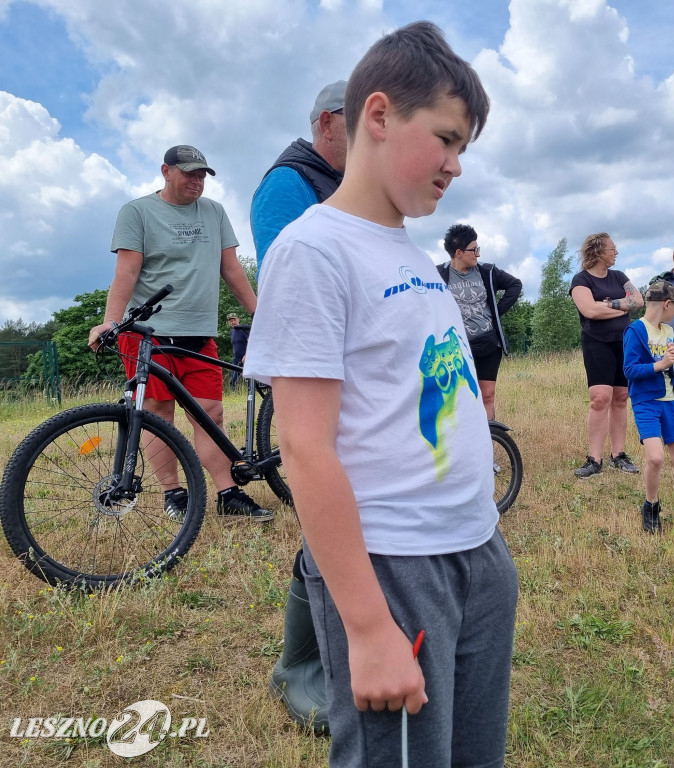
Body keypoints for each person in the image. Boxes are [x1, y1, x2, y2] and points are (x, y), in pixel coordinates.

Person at [243, 22, 517, 768]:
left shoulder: (407, 250)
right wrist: (367, 627)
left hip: (476, 549)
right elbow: (303, 447)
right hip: (396, 565)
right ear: (378, 114)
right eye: (448, 139)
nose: (457, 165)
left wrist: (488, 545)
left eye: (465, 149)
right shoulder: (313, 250)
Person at [87, 145, 272, 522]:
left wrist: (263, 315)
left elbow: (232, 269)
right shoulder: (137, 212)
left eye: (202, 174)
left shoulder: (215, 212)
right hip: (148, 334)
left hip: (197, 332)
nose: (197, 180)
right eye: (189, 173)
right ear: (166, 171)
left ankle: (228, 493)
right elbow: (127, 271)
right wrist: (110, 320)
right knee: (158, 415)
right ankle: (174, 493)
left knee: (210, 414)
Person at [251, 80, 351, 733]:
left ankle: (336, 645)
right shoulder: (289, 183)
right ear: (325, 123)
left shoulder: (336, 184)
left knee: (356, 506)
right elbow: (295, 282)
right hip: (314, 366)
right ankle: (299, 664)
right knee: (328, 506)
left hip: (346, 363)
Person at [622, 280, 674, 534]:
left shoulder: (669, 332)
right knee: (655, 458)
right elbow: (629, 370)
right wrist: (661, 363)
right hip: (646, 402)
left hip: (672, 401)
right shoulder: (636, 331)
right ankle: (651, 506)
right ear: (667, 304)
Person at [251, 79, 348, 272]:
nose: (373, 131)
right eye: (360, 120)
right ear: (327, 124)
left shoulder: (347, 182)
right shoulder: (285, 183)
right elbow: (283, 280)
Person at [570, 233, 644, 478]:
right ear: (599, 251)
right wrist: (621, 308)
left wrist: (607, 305)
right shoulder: (581, 280)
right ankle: (594, 459)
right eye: (613, 249)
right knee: (600, 398)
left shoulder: (619, 276)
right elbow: (589, 311)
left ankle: (618, 455)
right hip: (596, 342)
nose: (616, 253)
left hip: (624, 342)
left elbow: (638, 302)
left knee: (621, 397)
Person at [437, 223, 522, 420]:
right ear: (458, 252)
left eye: (478, 249)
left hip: (488, 344)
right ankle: (462, 445)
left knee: (487, 396)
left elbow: (515, 285)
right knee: (459, 397)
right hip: (456, 347)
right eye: (474, 250)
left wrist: (495, 313)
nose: (478, 254)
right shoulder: (439, 275)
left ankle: (488, 445)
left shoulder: (487, 272)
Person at [226, 313, 249, 389]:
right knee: (234, 379)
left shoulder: (244, 329)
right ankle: (234, 395)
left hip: (246, 357)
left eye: (234, 320)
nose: (233, 322)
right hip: (237, 358)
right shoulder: (232, 332)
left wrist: (247, 355)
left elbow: (250, 342)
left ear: (238, 320)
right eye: (231, 321)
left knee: (251, 379)